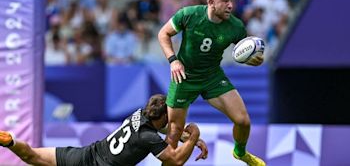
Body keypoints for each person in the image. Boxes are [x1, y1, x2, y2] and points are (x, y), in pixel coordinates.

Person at [158, 0, 266, 166]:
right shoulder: (189, 15)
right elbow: (163, 34)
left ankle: (240, 153)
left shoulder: (236, 27)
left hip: (212, 77)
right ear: (211, 2)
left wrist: (255, 61)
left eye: (231, 0)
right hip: (184, 77)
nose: (231, 5)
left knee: (243, 121)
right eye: (225, 0)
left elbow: (245, 52)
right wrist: (173, 61)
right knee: (174, 134)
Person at [0, 94, 208, 166]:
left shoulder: (140, 114)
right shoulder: (149, 137)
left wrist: (183, 136)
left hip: (83, 156)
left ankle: (9, 141)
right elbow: (175, 160)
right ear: (163, 116)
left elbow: (161, 127)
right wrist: (194, 135)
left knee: (32, 156)